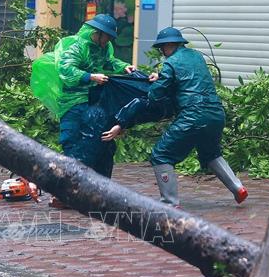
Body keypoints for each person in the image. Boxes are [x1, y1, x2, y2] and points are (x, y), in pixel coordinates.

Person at [101, 27, 248, 207]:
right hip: (216, 114)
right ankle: (238, 188)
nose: (162, 53)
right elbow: (187, 79)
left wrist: (157, 84)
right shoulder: (196, 56)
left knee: (161, 155)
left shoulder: (171, 63)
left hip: (193, 115)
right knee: (211, 153)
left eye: (162, 48)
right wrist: (162, 77)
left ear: (169, 45)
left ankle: (170, 203)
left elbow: (155, 95)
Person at [52, 14, 135, 207]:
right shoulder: (76, 46)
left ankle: (95, 191)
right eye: (106, 36)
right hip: (73, 101)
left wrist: (124, 67)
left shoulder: (104, 47)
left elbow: (110, 62)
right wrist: (90, 77)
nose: (108, 41)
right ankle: (64, 193)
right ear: (97, 33)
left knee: (98, 143)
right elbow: (65, 70)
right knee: (72, 141)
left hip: (94, 99)